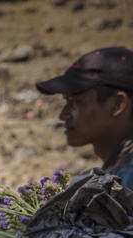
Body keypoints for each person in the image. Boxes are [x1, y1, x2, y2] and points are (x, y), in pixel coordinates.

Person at [37, 46, 133, 189]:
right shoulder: (119, 171)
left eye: (75, 102)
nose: (63, 115)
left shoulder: (127, 181)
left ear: (117, 105)